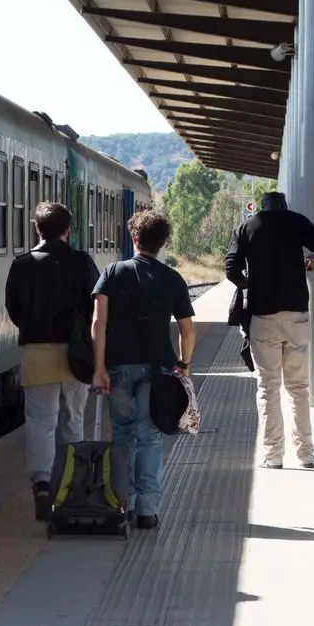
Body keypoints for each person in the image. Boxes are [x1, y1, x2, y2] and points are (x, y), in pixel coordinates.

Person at [91, 209, 196, 530]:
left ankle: (122, 502)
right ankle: (146, 509)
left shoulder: (112, 273)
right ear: (163, 242)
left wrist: (98, 368)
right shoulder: (173, 278)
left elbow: (98, 322)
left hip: (118, 367)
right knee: (149, 438)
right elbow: (187, 330)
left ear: (133, 238)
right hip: (159, 369)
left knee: (122, 436)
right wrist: (184, 364)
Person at [224, 191, 314, 470]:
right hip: (296, 314)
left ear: (261, 207)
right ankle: (306, 453)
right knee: (298, 387)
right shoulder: (297, 221)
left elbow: (231, 269)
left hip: (263, 315)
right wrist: (311, 260)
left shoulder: (247, 227)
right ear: (284, 206)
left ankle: (273, 455)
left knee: (268, 386)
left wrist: (250, 283)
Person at [5, 201, 100, 519]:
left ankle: (42, 485)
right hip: (76, 356)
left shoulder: (22, 264)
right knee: (73, 420)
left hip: (37, 353)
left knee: (40, 422)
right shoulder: (81, 262)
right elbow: (96, 307)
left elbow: (14, 309)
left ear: (37, 228)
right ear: (68, 230)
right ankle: (73, 484)